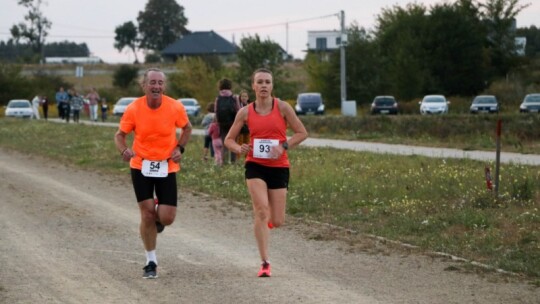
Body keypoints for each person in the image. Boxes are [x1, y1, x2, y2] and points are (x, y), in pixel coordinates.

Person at [224, 68, 308, 277]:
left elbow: (302, 132)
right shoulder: (244, 112)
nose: (263, 85)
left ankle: (268, 223)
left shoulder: (282, 107)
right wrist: (238, 149)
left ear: (272, 86)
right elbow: (228, 140)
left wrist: (284, 147)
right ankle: (265, 262)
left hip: (279, 166)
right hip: (255, 165)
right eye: (259, 82)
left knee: (277, 220)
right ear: (253, 86)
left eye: (267, 82)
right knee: (261, 210)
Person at [114, 68, 192, 279]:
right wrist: (124, 150)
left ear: (164, 86)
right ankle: (151, 261)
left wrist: (179, 148)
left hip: (166, 166)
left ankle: (157, 220)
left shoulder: (175, 107)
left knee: (167, 218)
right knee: (147, 213)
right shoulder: (134, 108)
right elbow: (120, 135)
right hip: (141, 165)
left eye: (160, 83)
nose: (156, 86)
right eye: (152, 83)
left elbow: (187, 128)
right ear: (144, 85)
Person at [214, 78, 240, 164]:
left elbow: (216, 111)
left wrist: (218, 123)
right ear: (230, 86)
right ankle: (233, 162)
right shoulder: (234, 97)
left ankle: (223, 162)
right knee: (233, 142)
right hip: (233, 123)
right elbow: (238, 110)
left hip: (222, 123)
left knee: (224, 142)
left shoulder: (218, 98)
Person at [236, 89, 251, 160]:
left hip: (248, 128)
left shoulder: (250, 106)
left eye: (245, 96)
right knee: (239, 143)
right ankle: (238, 159)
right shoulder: (238, 106)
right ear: (240, 97)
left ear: (248, 98)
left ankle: (247, 159)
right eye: (242, 96)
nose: (244, 98)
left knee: (248, 143)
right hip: (240, 128)